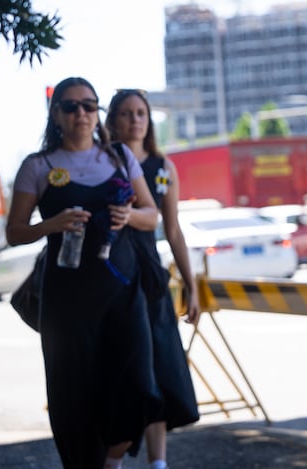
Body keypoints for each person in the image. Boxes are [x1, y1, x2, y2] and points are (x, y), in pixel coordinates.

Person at [6, 77, 163, 469]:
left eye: (89, 106)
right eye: (71, 106)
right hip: (66, 302)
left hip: (123, 295)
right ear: (56, 114)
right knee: (72, 397)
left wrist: (130, 215)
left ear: (98, 114)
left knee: (137, 384)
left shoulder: (120, 157)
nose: (81, 113)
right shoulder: (38, 166)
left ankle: (112, 460)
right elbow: (14, 232)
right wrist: (51, 224)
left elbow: (152, 215)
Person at [106, 88, 200, 469]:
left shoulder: (164, 166)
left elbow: (173, 230)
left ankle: (157, 462)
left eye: (141, 112)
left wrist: (192, 286)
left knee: (161, 368)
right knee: (128, 372)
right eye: (126, 113)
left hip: (150, 275)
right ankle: (112, 459)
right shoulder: (103, 160)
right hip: (112, 273)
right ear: (113, 119)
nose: (135, 119)